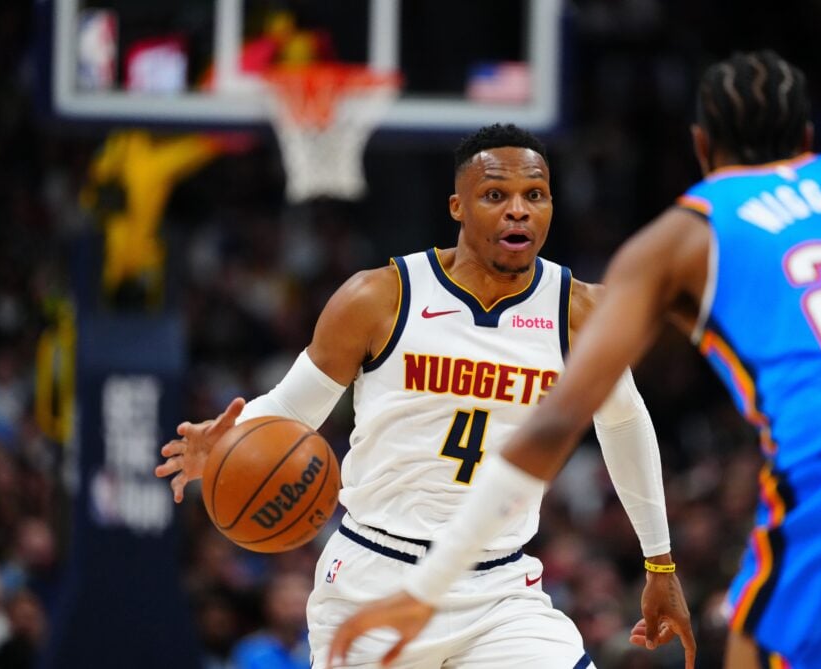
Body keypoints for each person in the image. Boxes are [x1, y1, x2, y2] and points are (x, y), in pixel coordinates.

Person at [328, 51, 821, 669]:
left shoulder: (684, 237)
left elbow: (554, 426)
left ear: (701, 147)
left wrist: (426, 588)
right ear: (807, 136)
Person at [156, 123, 695, 668]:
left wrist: (660, 562)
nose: (518, 210)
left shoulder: (579, 312)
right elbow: (294, 411)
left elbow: (625, 425)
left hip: (499, 588)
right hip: (373, 575)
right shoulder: (378, 298)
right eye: (495, 195)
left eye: (535, 195)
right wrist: (230, 439)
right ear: (457, 206)